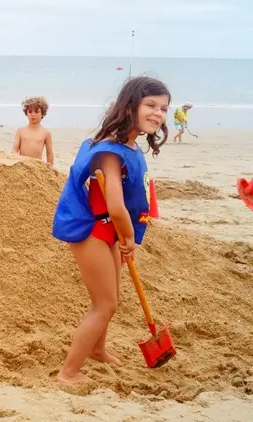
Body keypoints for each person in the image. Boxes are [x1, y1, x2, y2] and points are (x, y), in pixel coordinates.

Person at [51, 76, 169, 383]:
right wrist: (129, 237)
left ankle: (97, 349)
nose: (158, 113)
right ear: (130, 107)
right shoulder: (109, 152)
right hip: (92, 231)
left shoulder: (130, 146)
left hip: (110, 231)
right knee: (104, 305)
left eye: (164, 108)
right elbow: (116, 206)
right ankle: (68, 373)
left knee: (111, 298)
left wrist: (123, 236)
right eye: (151, 105)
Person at [13, 96, 53, 166]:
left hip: (37, 166)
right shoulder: (20, 131)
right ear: (26, 113)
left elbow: (49, 154)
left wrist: (50, 168)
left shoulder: (46, 133)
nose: (33, 114)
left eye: (36, 112)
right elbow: (14, 150)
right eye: (30, 112)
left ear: (42, 113)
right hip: (22, 165)